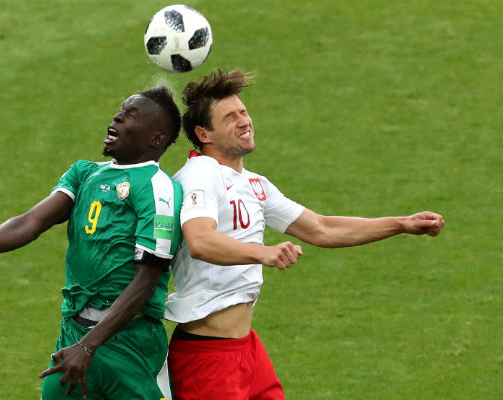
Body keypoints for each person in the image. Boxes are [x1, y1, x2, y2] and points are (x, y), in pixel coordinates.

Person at [164, 68, 445, 400]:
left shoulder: (253, 183)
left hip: (246, 349)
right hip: (208, 358)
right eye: (229, 117)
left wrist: (401, 224)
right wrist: (263, 253)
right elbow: (200, 240)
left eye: (243, 111)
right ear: (204, 134)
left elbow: (321, 228)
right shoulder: (200, 174)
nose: (244, 121)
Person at [0, 86, 183, 400]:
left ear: (156, 138)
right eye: (120, 109)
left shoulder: (158, 189)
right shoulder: (85, 174)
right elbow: (33, 221)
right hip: (73, 337)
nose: (117, 116)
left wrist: (89, 346)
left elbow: (146, 281)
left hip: (130, 346)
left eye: (131, 115)